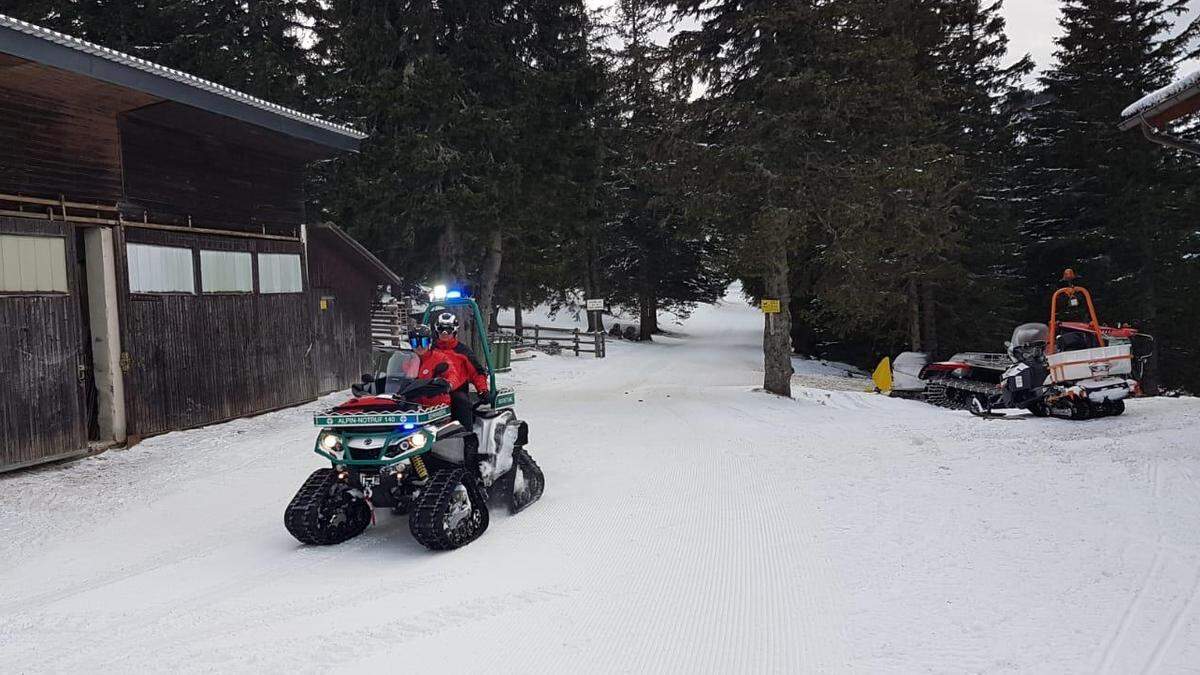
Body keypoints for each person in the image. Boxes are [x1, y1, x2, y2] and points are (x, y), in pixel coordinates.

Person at [432, 312, 490, 404]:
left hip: (456, 391)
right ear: (436, 330)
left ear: (454, 331)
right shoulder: (430, 350)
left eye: (448, 330)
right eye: (441, 329)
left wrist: (482, 390)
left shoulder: (463, 352)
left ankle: (465, 418)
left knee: (461, 402)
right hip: (431, 391)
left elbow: (477, 372)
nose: (444, 333)